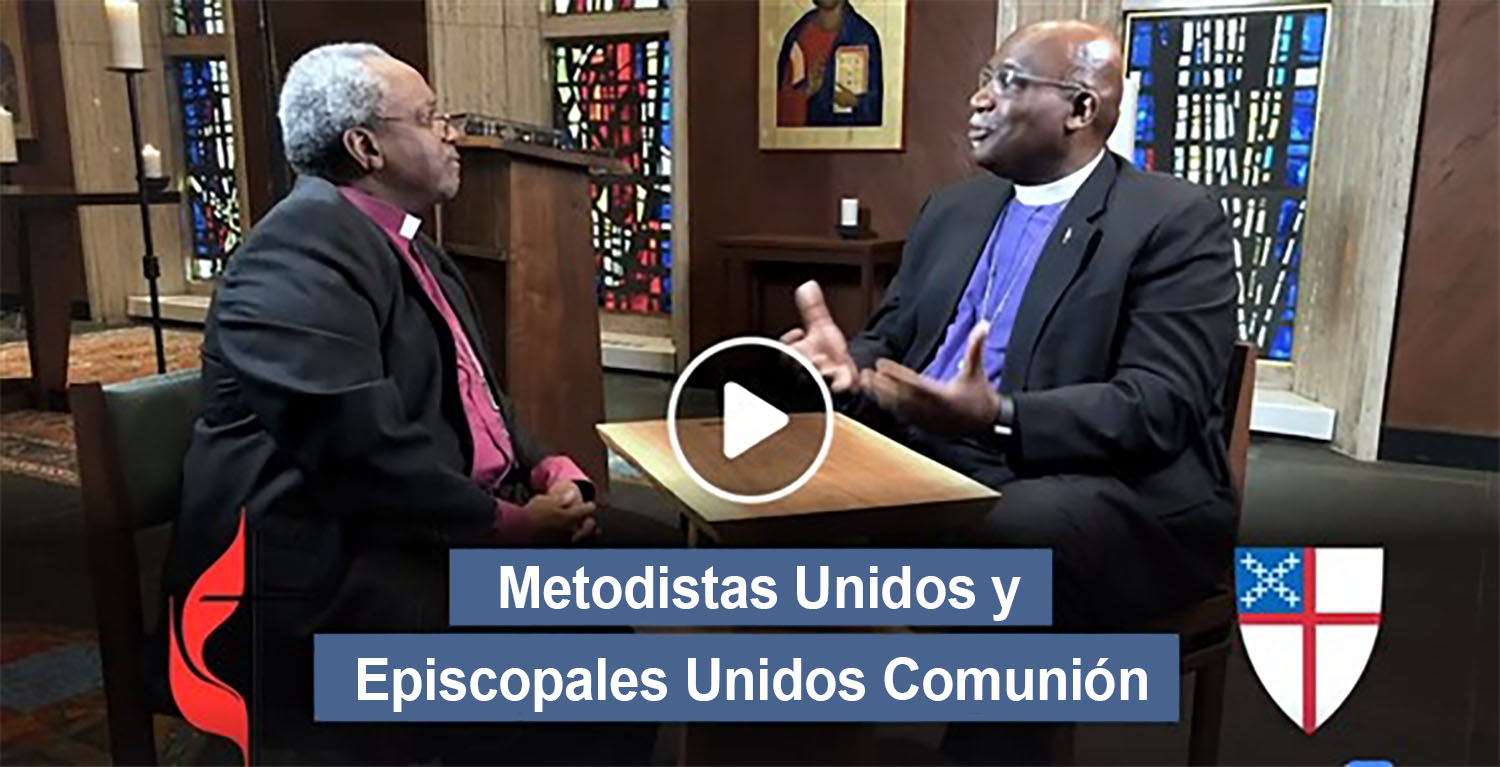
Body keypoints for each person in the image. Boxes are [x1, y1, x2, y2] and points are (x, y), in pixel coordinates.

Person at [160, 43, 656, 762]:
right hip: (324, 577)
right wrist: (513, 525)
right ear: (365, 147)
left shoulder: (411, 245)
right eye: (429, 118)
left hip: (423, 528)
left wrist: (547, 463)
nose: (450, 131)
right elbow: (361, 451)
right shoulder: (294, 253)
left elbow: (479, 394)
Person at [782, 20, 1239, 632]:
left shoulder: (1173, 218)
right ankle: (801, 712)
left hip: (1089, 483)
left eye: (1009, 81)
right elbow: (892, 339)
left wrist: (999, 415)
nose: (979, 99)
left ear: (1079, 108)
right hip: (927, 454)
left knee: (1014, 542)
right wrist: (849, 370)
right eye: (984, 79)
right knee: (779, 482)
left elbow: (1159, 404)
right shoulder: (951, 210)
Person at [775, 0, 883, 127]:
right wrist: (806, 91)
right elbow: (779, 107)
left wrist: (856, 102)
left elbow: (877, 107)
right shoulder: (798, 36)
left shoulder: (863, 37)